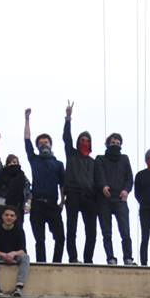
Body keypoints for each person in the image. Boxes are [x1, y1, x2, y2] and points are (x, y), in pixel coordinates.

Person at [24, 107, 66, 263]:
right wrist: (27, 119)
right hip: (37, 205)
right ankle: (41, 264)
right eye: (40, 143)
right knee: (39, 239)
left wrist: (62, 201)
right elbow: (27, 140)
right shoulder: (34, 159)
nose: (43, 145)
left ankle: (56, 264)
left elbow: (63, 184)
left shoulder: (58, 164)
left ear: (51, 144)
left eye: (46, 142)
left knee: (60, 237)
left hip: (52, 205)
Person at [61, 102, 99, 263]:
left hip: (90, 197)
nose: (84, 142)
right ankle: (73, 258)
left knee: (91, 231)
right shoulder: (72, 154)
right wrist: (68, 118)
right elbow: (66, 138)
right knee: (72, 229)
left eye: (87, 140)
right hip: (74, 194)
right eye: (82, 140)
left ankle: (88, 259)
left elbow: (97, 181)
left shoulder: (93, 162)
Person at [95, 131, 136, 265]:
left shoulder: (124, 159)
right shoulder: (100, 159)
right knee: (107, 232)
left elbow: (130, 177)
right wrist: (103, 186)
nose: (115, 145)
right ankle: (110, 258)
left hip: (120, 199)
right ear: (107, 144)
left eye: (118, 143)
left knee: (125, 231)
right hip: (105, 199)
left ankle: (128, 257)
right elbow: (98, 175)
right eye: (113, 143)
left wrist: (126, 190)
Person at [0, 205, 30, 297]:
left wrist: (13, 254)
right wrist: (4, 255)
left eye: (11, 215)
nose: (9, 217)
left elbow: (23, 250)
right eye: (6, 215)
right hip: (0, 255)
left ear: (15, 218)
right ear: (2, 216)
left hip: (14, 256)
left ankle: (19, 287)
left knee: (25, 258)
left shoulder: (19, 231)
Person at [0, 153, 29, 244]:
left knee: (17, 229)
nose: (13, 163)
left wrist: (28, 204)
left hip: (17, 207)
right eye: (11, 162)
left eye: (16, 162)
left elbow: (28, 191)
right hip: (2, 206)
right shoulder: (3, 173)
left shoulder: (22, 176)